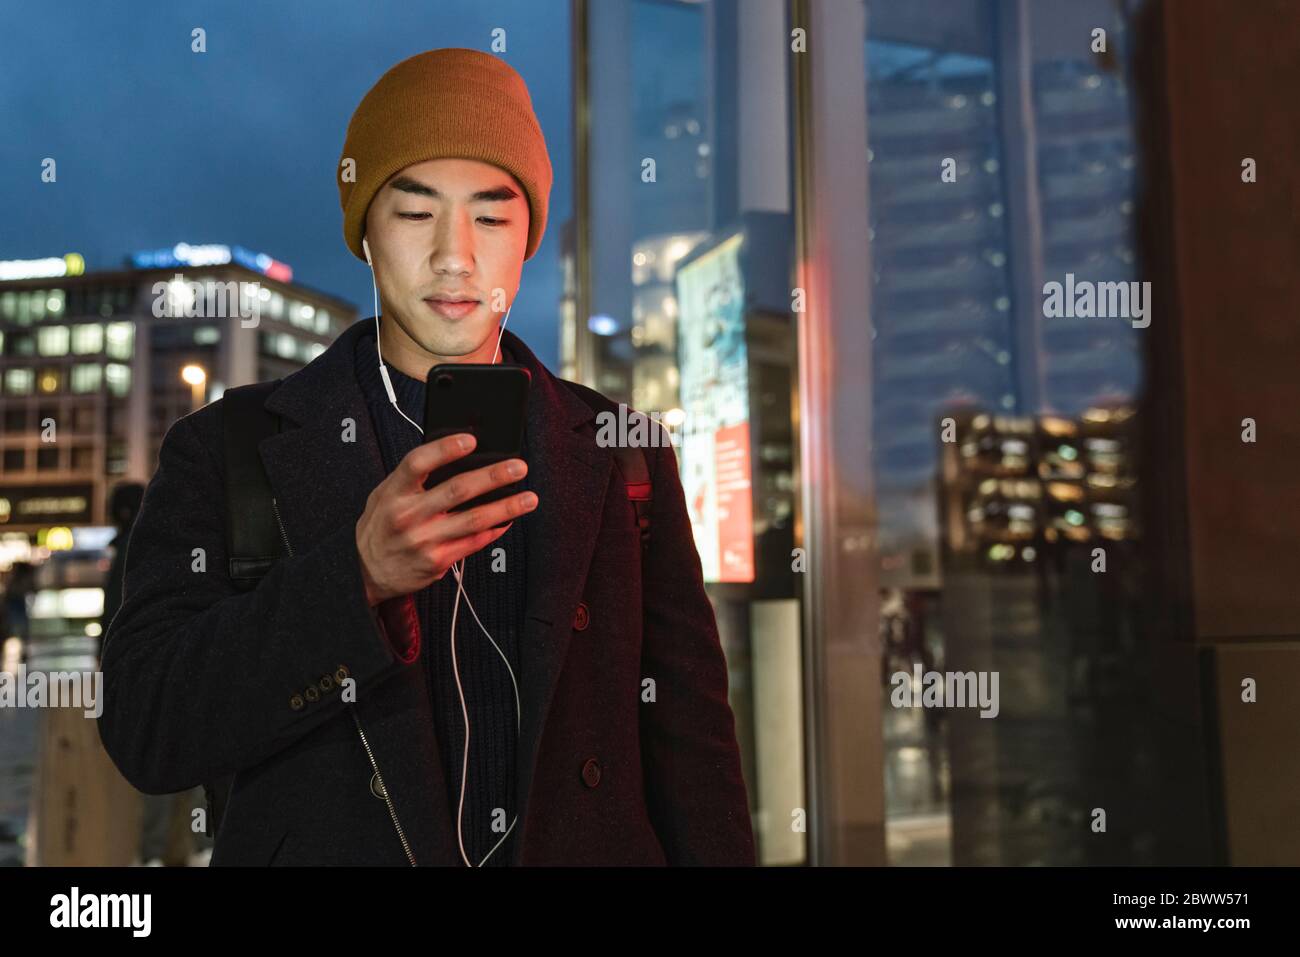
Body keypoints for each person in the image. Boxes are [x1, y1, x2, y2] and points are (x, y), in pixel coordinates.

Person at [98, 48, 755, 866]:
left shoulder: (623, 452)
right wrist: (356, 575)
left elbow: (695, 756)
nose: (456, 255)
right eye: (414, 213)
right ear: (364, 233)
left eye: (491, 215)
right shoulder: (233, 447)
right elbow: (144, 725)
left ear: (529, 239)